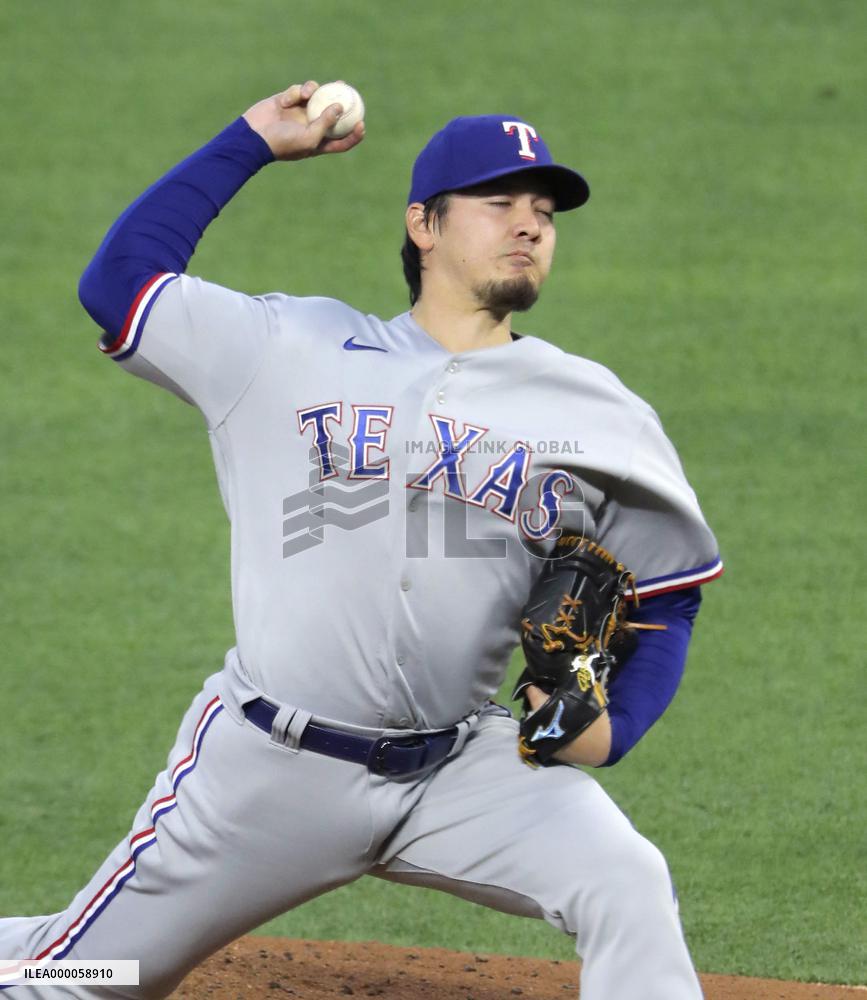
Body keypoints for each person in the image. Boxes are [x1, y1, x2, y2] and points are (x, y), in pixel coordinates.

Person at [0, 81, 723, 998]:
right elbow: (119, 284)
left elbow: (668, 594)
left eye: (542, 211)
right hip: (266, 777)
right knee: (84, 976)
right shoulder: (282, 348)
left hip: (462, 769)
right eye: (497, 203)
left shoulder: (599, 411)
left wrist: (613, 729)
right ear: (423, 225)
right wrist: (252, 139)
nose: (528, 225)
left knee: (625, 879)